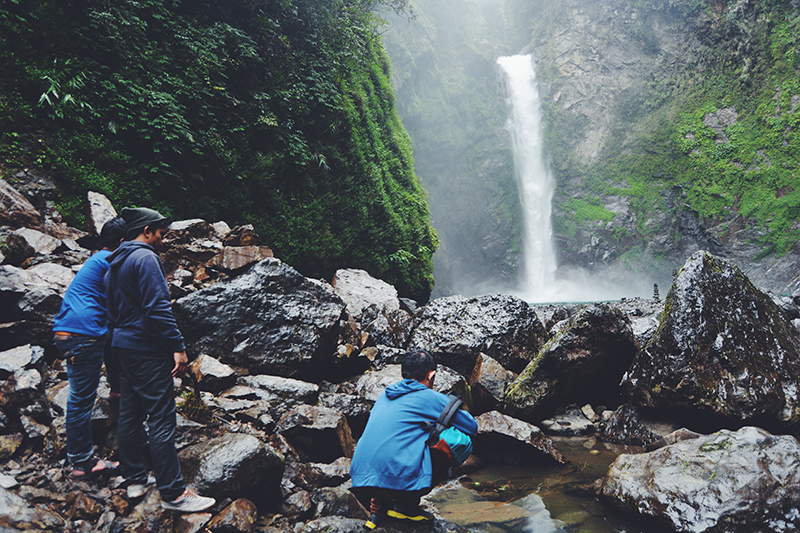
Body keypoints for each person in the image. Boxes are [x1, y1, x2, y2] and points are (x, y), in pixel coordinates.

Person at [104, 207, 215, 513]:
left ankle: (136, 479)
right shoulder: (145, 258)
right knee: (162, 418)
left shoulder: (114, 262)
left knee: (130, 413)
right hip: (145, 350)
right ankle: (174, 493)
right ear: (148, 231)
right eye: (161, 234)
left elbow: (111, 314)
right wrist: (177, 347)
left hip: (122, 348)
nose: (163, 241)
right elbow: (157, 307)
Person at [350, 349, 478, 528]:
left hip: (360, 478)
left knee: (397, 441)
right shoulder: (431, 397)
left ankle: (378, 511)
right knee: (455, 441)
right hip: (394, 479)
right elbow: (471, 426)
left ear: (403, 374)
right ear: (431, 375)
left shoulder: (384, 396)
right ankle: (406, 507)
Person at [53, 216, 126, 479]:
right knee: (81, 400)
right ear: (122, 242)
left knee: (81, 395)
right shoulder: (111, 261)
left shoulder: (96, 260)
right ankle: (83, 462)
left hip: (72, 332)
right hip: (82, 335)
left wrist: (116, 388)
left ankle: (116, 391)